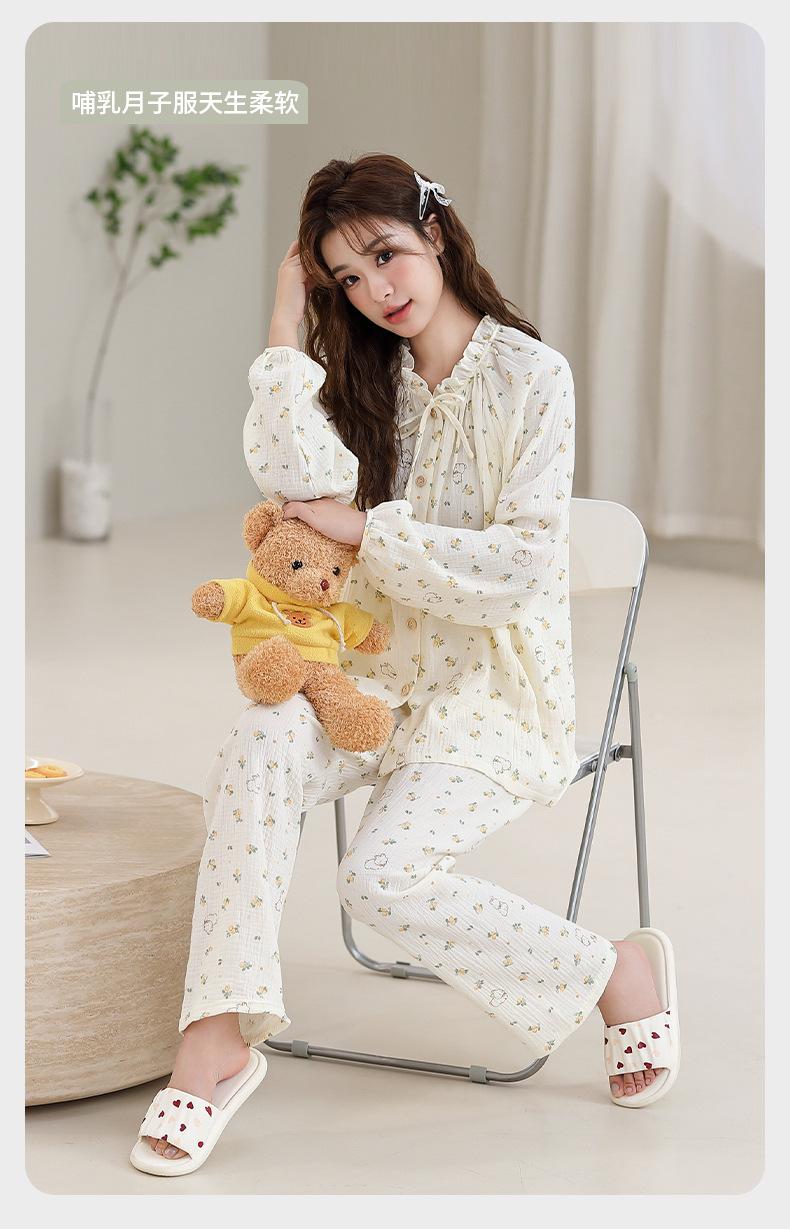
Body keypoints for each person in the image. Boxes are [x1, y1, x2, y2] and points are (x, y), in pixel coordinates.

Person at [131, 154, 678, 1174]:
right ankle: (213, 1038)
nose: (375, 289)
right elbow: (292, 487)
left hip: (485, 692)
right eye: (346, 276)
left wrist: (368, 530)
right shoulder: (364, 379)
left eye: (385, 254)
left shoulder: (532, 377)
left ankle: (612, 972)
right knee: (259, 731)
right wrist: (284, 322)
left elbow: (522, 566)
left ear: (435, 232)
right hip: (367, 677)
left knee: (378, 877)